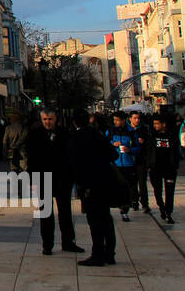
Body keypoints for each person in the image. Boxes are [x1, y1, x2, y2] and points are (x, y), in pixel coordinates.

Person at [24, 109, 82, 255]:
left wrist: (72, 177)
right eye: (44, 119)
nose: (47, 122)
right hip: (43, 178)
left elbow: (71, 156)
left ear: (55, 119)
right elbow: (31, 158)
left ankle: (68, 242)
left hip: (62, 178)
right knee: (45, 214)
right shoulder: (34, 134)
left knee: (65, 212)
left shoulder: (65, 134)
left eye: (50, 119)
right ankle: (47, 244)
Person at [70, 109, 120, 266]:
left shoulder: (77, 138)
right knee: (106, 217)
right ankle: (110, 253)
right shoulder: (98, 135)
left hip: (89, 185)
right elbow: (114, 155)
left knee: (94, 219)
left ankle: (97, 254)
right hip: (105, 182)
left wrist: (78, 183)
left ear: (74, 122)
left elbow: (74, 163)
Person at [104, 112, 137, 221]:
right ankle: (119, 206)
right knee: (117, 187)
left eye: (117, 120)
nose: (115, 122)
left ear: (123, 120)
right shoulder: (110, 132)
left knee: (129, 187)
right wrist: (113, 145)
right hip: (115, 164)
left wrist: (130, 150)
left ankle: (125, 209)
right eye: (114, 120)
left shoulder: (131, 132)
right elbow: (104, 145)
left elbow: (138, 148)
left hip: (128, 163)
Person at [149, 115, 180, 223]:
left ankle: (168, 212)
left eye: (157, 123)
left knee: (170, 191)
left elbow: (176, 151)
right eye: (154, 124)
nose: (155, 126)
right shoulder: (152, 135)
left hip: (169, 168)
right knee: (157, 190)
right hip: (156, 167)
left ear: (164, 124)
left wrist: (175, 165)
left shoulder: (171, 135)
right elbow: (148, 151)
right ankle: (161, 208)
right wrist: (149, 165)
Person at [130, 110, 153, 215]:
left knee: (142, 183)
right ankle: (134, 201)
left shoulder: (144, 129)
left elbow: (149, 146)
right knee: (133, 183)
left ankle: (145, 204)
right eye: (135, 118)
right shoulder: (128, 130)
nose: (137, 120)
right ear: (130, 119)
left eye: (138, 118)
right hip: (130, 160)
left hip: (141, 160)